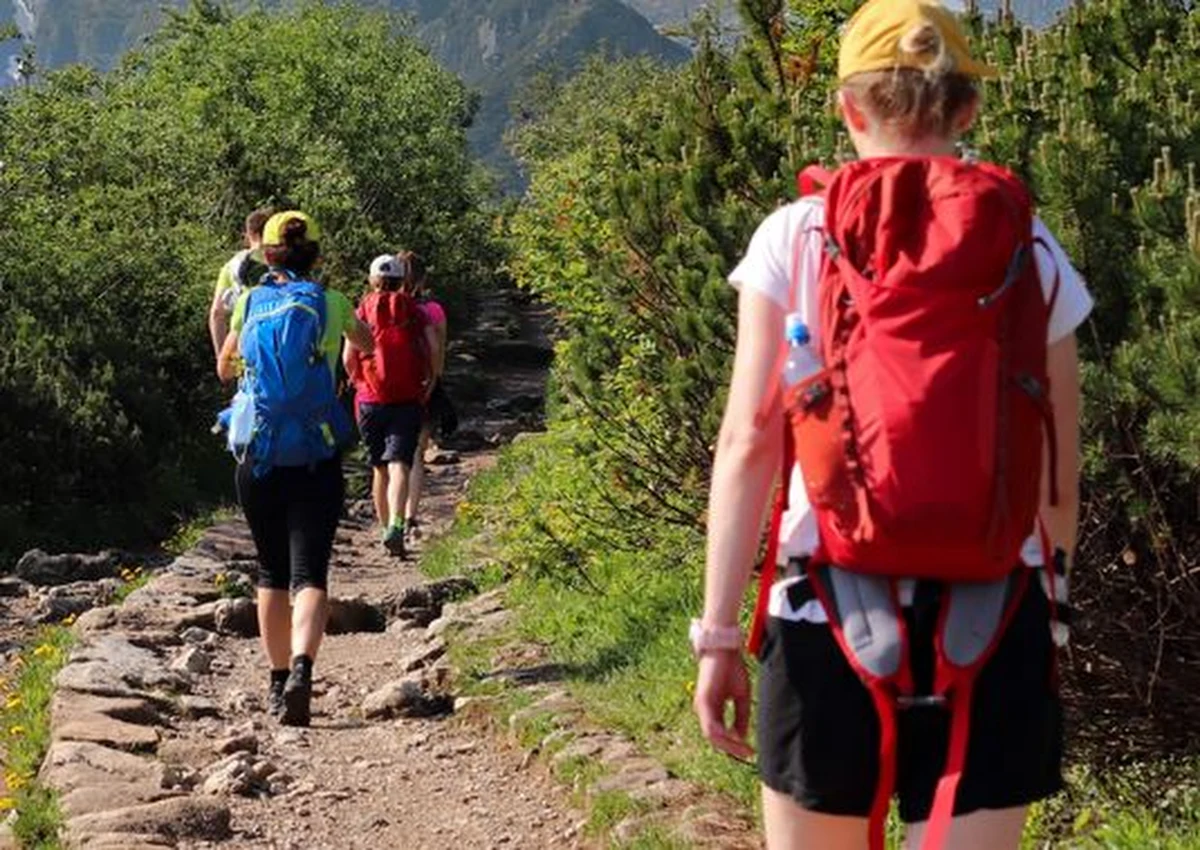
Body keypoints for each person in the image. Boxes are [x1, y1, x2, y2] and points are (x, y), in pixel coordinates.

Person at [692, 3, 1092, 849]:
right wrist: (1051, 616)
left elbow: (750, 442)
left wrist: (719, 634)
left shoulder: (793, 236)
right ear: (966, 110)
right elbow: (1059, 465)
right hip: (995, 615)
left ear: (848, 110)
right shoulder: (1032, 243)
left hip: (823, 613)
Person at [217, 210, 374, 726]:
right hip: (316, 452)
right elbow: (367, 345)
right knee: (311, 570)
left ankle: (278, 680)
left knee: (270, 571)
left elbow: (225, 367)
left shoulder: (247, 302)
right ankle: (305, 668)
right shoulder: (331, 303)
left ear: (265, 254)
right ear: (317, 255)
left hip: (259, 454)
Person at [344, 254, 437, 558]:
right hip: (408, 397)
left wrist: (359, 382)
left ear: (372, 280)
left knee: (379, 468)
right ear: (402, 281)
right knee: (400, 463)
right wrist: (429, 381)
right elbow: (433, 347)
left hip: (370, 400)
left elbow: (348, 357)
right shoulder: (413, 308)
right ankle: (398, 525)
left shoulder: (362, 309)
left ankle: (385, 529)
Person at [398, 251, 448, 547]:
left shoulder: (379, 306)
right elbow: (439, 351)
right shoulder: (434, 310)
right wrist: (435, 381)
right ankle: (409, 517)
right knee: (416, 453)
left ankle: (389, 517)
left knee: (390, 457)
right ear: (423, 278)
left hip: (385, 390)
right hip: (423, 386)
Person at [209, 207, 274, 359]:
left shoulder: (231, 266)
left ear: (249, 233)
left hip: (246, 344)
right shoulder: (283, 261)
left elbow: (217, 314)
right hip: (279, 342)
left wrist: (223, 358)